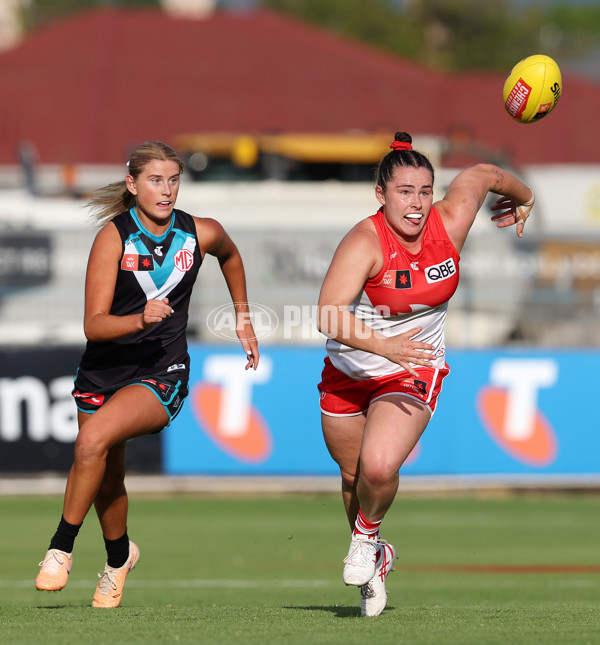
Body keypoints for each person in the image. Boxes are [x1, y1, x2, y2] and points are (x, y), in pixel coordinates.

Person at [317, 131, 534, 617]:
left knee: (378, 466)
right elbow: (328, 314)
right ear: (381, 195)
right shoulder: (364, 240)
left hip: (414, 368)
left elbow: (487, 175)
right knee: (354, 479)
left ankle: (367, 539)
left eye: (423, 191)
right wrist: (383, 344)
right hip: (349, 370)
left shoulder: (450, 221)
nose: (416, 204)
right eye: (403, 192)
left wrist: (526, 199)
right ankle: (378, 556)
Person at [35, 141, 259, 608]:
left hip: (163, 371)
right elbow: (93, 325)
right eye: (156, 180)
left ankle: (60, 548)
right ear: (133, 184)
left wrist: (243, 316)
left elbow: (231, 256)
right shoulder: (113, 238)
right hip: (103, 371)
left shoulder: (200, 232)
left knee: (90, 443)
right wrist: (139, 319)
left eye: (173, 179)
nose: (167, 190)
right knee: (106, 477)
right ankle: (119, 559)